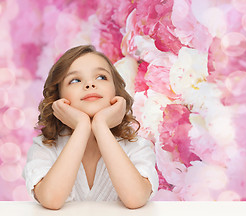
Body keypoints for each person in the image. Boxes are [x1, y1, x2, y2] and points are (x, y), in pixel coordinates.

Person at [23, 45, 159, 210]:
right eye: (75, 80)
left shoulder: (136, 146)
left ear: (116, 92)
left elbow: (136, 199)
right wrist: (82, 126)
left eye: (101, 77)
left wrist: (100, 125)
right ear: (58, 98)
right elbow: (51, 199)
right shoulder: (45, 147)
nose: (89, 85)